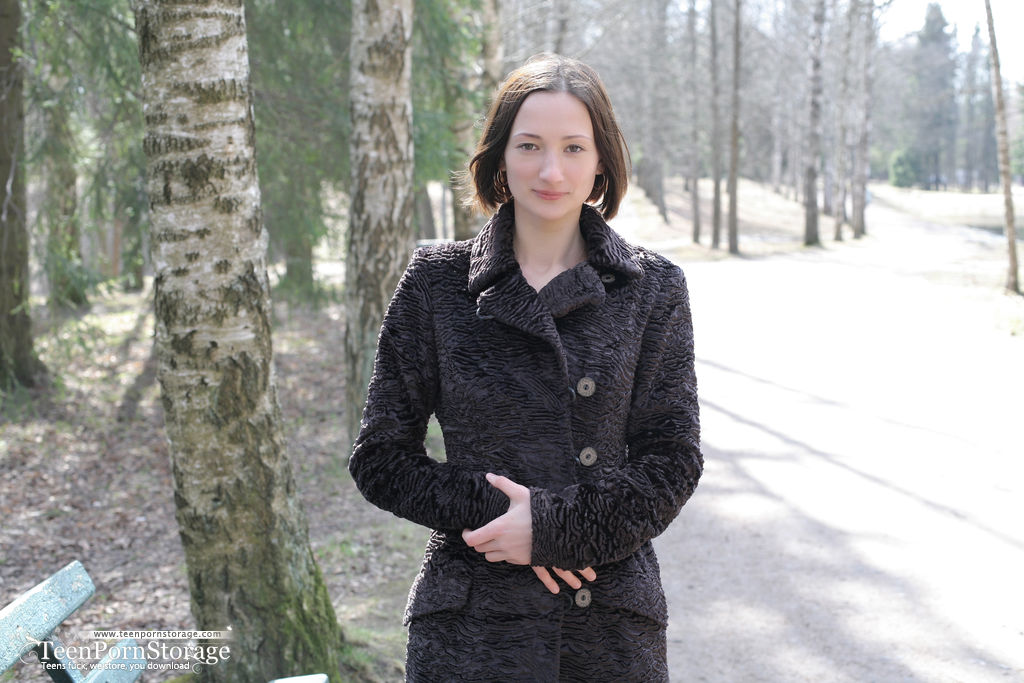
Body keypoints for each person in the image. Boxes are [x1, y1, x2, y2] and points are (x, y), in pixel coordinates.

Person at [348, 53, 702, 682]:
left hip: (606, 624)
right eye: (530, 145)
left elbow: (672, 459)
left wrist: (557, 527)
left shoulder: (652, 288)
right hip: (471, 625)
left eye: (573, 148)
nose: (550, 170)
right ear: (500, 157)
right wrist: (499, 518)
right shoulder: (436, 283)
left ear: (601, 161)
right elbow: (380, 458)